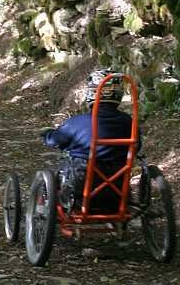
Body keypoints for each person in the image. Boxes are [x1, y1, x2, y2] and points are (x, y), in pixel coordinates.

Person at [42, 68, 139, 212]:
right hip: (117, 190)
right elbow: (137, 146)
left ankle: (41, 209)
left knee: (56, 171)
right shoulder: (129, 123)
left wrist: (47, 134)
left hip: (80, 188)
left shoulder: (78, 122)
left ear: (92, 92)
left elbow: (54, 141)